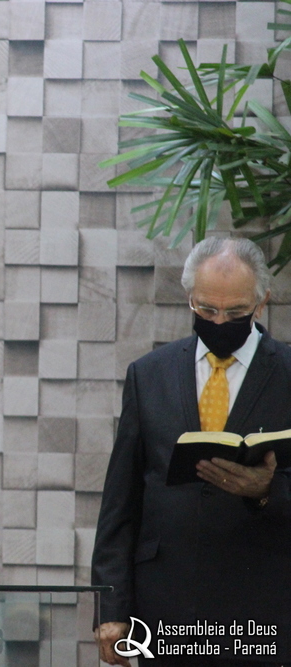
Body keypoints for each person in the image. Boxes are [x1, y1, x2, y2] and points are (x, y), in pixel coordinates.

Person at [92, 237, 291, 666]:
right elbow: (121, 500)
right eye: (206, 309)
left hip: (264, 609)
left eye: (235, 312)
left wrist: (267, 490)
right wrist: (111, 606)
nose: (220, 321)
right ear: (189, 298)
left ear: (261, 303)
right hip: (166, 607)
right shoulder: (149, 374)